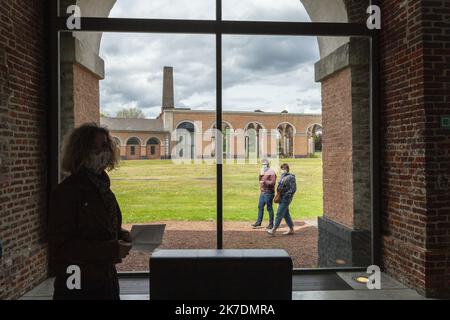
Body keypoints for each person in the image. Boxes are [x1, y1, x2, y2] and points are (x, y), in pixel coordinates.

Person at [48, 123, 132, 300]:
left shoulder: (102, 187)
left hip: (104, 280)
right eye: (94, 147)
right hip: (78, 281)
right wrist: (112, 249)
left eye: (105, 146)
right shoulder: (67, 192)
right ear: (80, 152)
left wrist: (123, 235)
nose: (102, 152)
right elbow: (62, 248)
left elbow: (101, 227)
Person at [267, 163, 296, 236]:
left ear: (287, 169)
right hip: (281, 198)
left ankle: (273, 230)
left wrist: (286, 196)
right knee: (286, 214)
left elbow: (293, 189)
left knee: (279, 213)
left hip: (285, 199)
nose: (282, 170)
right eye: (282, 169)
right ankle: (291, 229)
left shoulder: (290, 177)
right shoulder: (282, 176)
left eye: (283, 169)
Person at [252, 159, 276, 229]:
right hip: (263, 192)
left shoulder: (272, 172)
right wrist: (261, 176)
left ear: (268, 165)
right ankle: (259, 222)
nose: (263, 166)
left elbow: (272, 182)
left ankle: (271, 224)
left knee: (269, 208)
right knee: (260, 206)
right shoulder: (263, 171)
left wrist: (265, 181)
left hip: (269, 193)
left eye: (265, 164)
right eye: (262, 164)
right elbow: (260, 180)